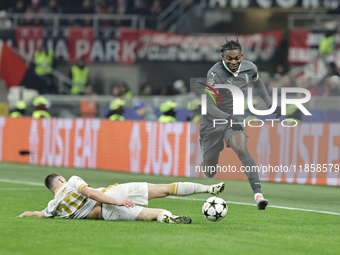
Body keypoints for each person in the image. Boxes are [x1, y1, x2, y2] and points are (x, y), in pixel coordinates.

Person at [199, 39, 281, 210]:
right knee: (210, 171)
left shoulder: (249, 67)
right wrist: (226, 117)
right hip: (212, 122)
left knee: (242, 149)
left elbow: (257, 82)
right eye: (229, 59)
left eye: (237, 58)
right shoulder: (215, 74)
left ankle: (258, 194)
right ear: (223, 57)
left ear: (241, 56)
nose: (234, 62)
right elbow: (209, 105)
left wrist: (269, 103)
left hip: (234, 120)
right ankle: (209, 156)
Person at [18, 174, 225, 224]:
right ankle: (207, 188)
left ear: (51, 190)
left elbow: (38, 214)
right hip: (112, 195)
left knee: (149, 215)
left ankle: (169, 217)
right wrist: (116, 199)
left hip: (106, 213)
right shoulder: (72, 181)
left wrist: (25, 214)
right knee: (164, 189)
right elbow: (91, 193)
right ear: (61, 179)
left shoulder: (53, 205)